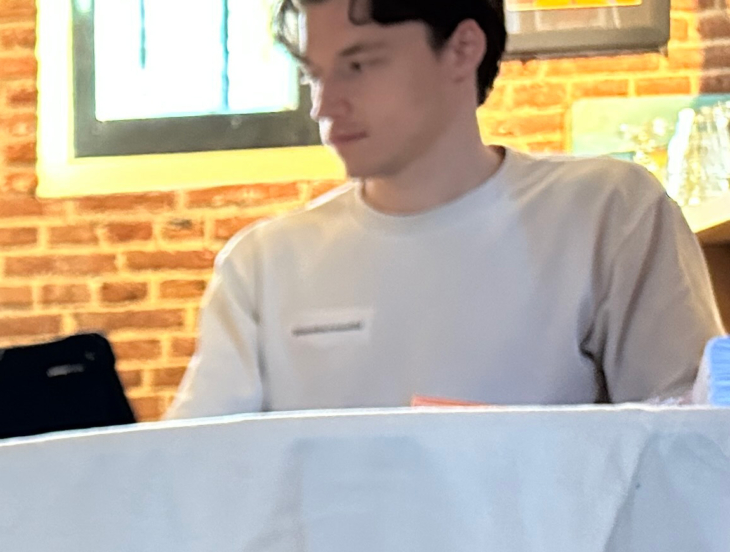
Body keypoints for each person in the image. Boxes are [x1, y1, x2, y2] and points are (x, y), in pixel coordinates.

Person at [169, 0, 724, 418]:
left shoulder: (608, 213)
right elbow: (198, 479)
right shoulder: (262, 265)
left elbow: (684, 455)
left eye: (358, 66)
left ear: (463, 48)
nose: (323, 104)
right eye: (313, 74)